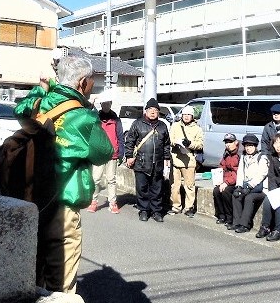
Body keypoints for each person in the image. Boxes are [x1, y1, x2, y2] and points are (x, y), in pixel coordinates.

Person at [14, 56, 114, 294]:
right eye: (92, 81)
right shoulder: (84, 116)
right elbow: (104, 152)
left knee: (34, 259)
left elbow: (19, 110)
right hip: (63, 199)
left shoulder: (41, 101)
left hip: (31, 194)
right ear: (82, 83)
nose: (92, 85)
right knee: (62, 266)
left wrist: (41, 88)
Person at [124, 98, 171, 223]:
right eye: (150, 110)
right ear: (146, 111)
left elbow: (166, 144)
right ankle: (144, 210)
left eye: (156, 110)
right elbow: (130, 141)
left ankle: (156, 211)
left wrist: (167, 158)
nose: (153, 112)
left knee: (157, 189)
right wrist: (129, 156)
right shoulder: (137, 124)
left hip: (158, 162)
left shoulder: (162, 126)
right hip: (141, 162)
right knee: (142, 188)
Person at [88, 90, 124, 214]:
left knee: (111, 179)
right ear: (101, 104)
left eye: (108, 103)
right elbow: (87, 114)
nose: (106, 105)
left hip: (112, 154)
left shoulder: (116, 120)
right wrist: (92, 102)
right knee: (95, 179)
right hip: (99, 153)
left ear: (111, 103)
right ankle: (94, 201)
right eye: (103, 103)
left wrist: (121, 153)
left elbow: (120, 137)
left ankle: (113, 203)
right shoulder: (96, 118)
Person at [169, 105, 204, 216]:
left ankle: (189, 207)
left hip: (190, 160)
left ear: (192, 116)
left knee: (189, 185)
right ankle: (176, 206)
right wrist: (176, 142)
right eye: (184, 114)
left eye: (189, 115)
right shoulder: (175, 126)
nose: (186, 117)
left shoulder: (197, 129)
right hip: (176, 158)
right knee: (175, 185)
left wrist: (190, 144)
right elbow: (170, 139)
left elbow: (200, 144)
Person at [230, 133, 269, 233]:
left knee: (249, 198)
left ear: (256, 146)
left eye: (251, 146)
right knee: (236, 195)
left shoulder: (262, 157)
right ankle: (236, 222)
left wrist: (249, 186)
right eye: (246, 146)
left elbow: (262, 174)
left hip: (259, 189)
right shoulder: (243, 156)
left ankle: (245, 224)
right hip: (246, 186)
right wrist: (238, 186)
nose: (248, 148)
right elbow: (240, 172)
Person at [213, 133, 240, 225]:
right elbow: (222, 167)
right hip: (226, 179)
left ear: (235, 142)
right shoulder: (226, 153)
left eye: (230, 142)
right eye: (226, 142)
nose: (227, 144)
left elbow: (238, 172)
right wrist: (219, 179)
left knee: (226, 191)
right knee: (216, 191)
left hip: (236, 181)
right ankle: (221, 215)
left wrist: (227, 182)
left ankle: (230, 217)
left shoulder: (239, 154)